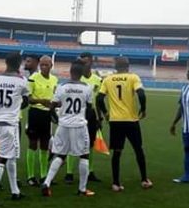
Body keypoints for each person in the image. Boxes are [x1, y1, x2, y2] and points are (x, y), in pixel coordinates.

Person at [0, 52, 48, 206]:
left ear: (6, 62)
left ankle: (15, 191)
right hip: (10, 123)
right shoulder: (21, 81)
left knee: (11, 156)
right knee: (3, 157)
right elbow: (27, 100)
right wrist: (41, 101)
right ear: (19, 64)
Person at [97, 57, 152, 191]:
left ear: (115, 67)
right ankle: (144, 180)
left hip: (115, 121)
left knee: (117, 152)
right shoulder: (133, 77)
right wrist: (143, 109)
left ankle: (116, 183)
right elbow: (141, 94)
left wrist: (105, 112)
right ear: (128, 66)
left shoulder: (108, 79)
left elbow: (99, 98)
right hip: (131, 120)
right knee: (138, 149)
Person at [41, 60, 95, 197]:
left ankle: (47, 182)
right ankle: (82, 189)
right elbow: (89, 109)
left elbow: (52, 107)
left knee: (60, 154)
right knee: (84, 155)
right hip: (79, 125)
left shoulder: (61, 87)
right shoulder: (87, 88)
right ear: (82, 73)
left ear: (70, 72)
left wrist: (57, 119)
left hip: (63, 125)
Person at [25, 55, 58, 186]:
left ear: (51, 66)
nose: (43, 67)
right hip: (35, 113)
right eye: (42, 65)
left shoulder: (54, 79)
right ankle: (30, 176)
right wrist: (41, 101)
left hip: (47, 115)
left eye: (46, 65)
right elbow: (28, 99)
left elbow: (54, 97)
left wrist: (54, 107)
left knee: (45, 145)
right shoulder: (33, 78)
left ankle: (44, 175)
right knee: (33, 144)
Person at [78, 52, 103, 183]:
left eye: (86, 62)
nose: (84, 64)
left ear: (91, 62)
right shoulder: (77, 79)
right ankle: (69, 173)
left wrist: (100, 118)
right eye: (82, 62)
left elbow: (98, 101)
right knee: (74, 142)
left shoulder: (97, 80)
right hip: (78, 113)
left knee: (90, 143)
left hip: (92, 114)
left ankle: (90, 171)